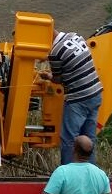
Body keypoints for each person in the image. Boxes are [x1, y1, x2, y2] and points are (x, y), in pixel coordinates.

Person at [40, 29, 103, 165]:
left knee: (69, 138)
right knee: (88, 138)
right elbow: (71, 64)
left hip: (79, 99)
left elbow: (57, 79)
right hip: (95, 93)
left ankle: (68, 173)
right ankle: (89, 172)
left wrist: (48, 76)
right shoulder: (75, 36)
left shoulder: (55, 52)